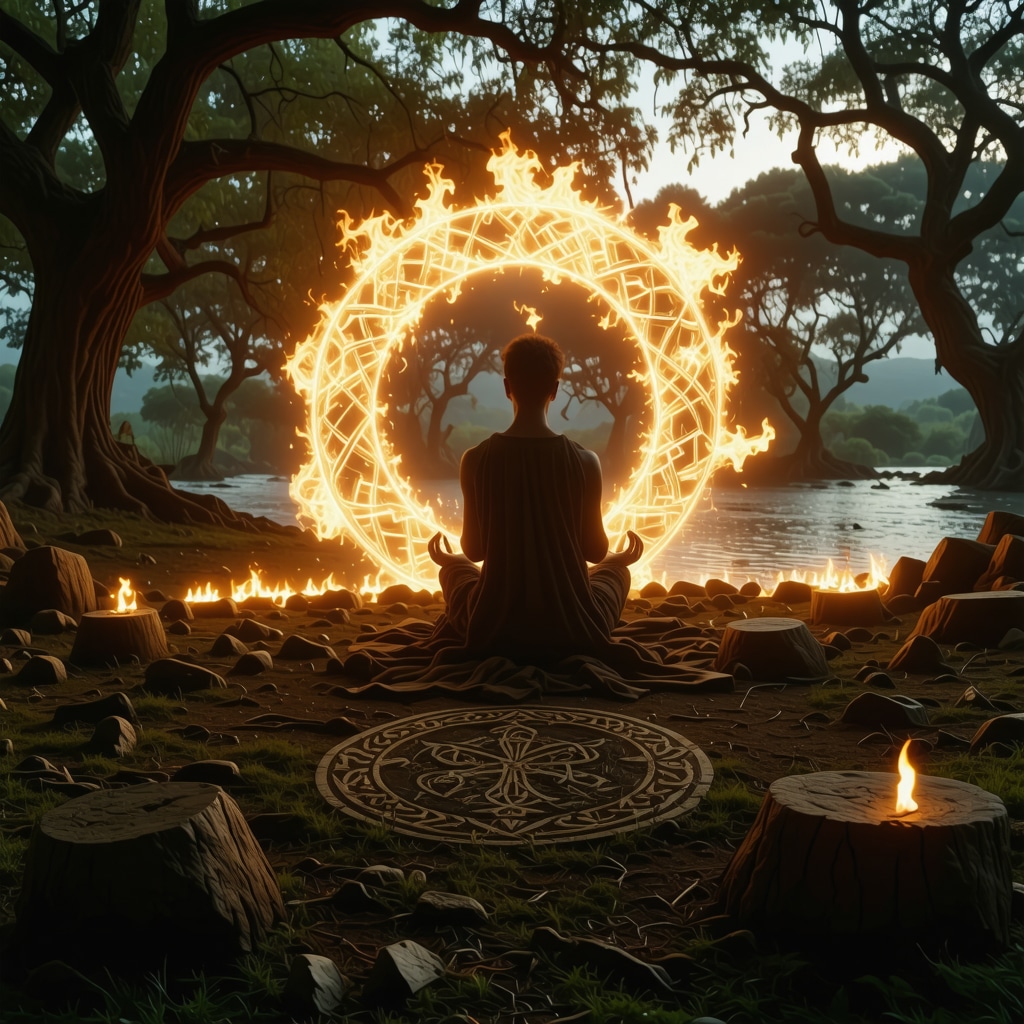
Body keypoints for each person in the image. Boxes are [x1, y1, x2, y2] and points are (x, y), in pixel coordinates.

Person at [428, 333, 643, 664]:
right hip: (572, 625)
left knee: (456, 573)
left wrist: (454, 562)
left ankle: (456, 574)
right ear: (555, 391)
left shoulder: (475, 459)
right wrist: (616, 560)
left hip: (495, 625)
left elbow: (474, 550)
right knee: (615, 575)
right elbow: (596, 551)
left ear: (506, 387)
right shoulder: (585, 461)